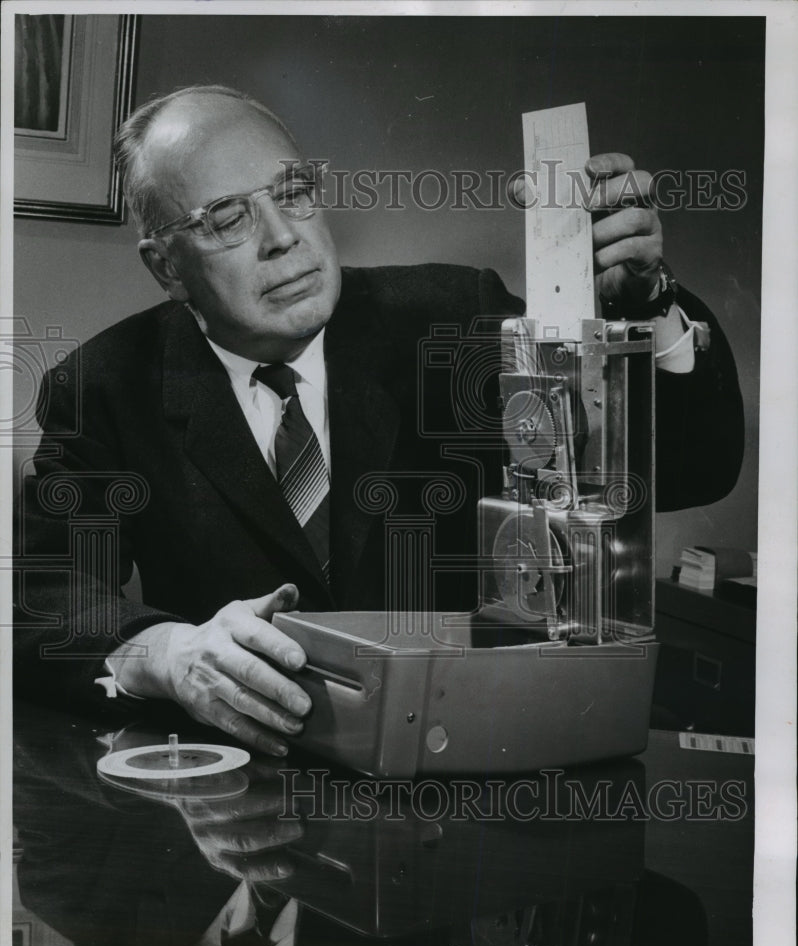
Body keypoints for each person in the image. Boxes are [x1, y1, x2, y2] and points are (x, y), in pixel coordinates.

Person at [14, 85, 744, 755]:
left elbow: (686, 470)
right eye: (228, 219)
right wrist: (166, 655)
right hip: (238, 810)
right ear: (166, 267)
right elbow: (42, 603)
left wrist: (645, 305)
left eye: (292, 192)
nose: (282, 237)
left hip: (463, 787)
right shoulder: (106, 386)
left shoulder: (455, 320)